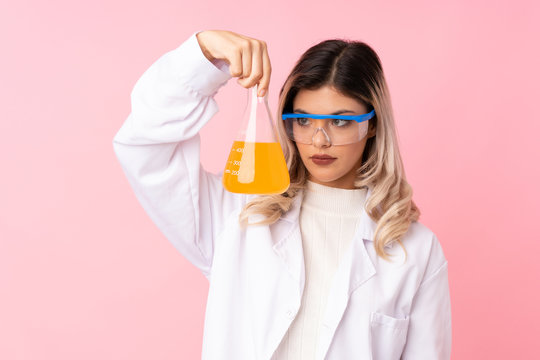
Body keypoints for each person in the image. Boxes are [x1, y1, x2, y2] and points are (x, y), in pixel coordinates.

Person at [113, 30, 451, 360]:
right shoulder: (241, 216)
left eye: (341, 122)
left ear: (372, 124)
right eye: (303, 120)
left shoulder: (416, 250)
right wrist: (201, 55)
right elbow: (145, 149)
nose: (319, 140)